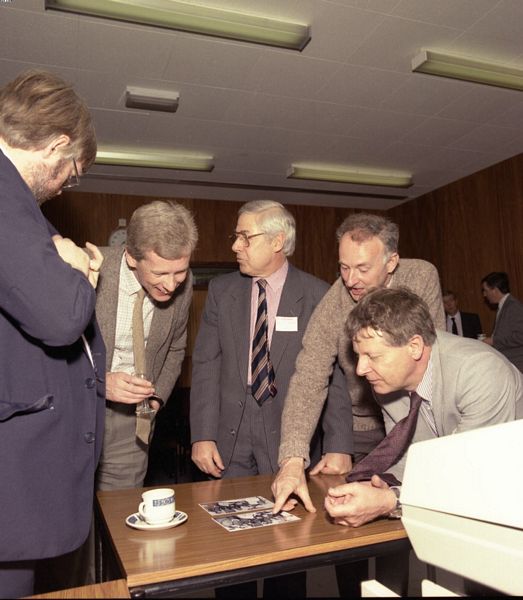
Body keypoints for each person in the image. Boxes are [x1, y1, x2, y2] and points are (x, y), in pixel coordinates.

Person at [271, 212, 444, 596]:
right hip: (361, 427)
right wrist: (292, 459)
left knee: (395, 529)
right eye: (344, 267)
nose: (351, 280)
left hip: (411, 422)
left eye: (363, 268)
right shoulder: (336, 301)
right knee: (346, 525)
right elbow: (309, 377)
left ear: (392, 262)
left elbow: (432, 360)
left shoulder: (421, 276)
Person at [190, 200, 351, 599]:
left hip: (290, 431)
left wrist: (339, 445)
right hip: (230, 431)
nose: (236, 246)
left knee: (287, 541)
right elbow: (207, 363)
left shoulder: (318, 295)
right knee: (230, 545)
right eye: (237, 236)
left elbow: (334, 377)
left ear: (278, 241)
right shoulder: (223, 290)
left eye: (246, 236)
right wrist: (202, 434)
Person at [0, 70, 105, 598]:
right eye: (73, 172)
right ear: (58, 145)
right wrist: (80, 271)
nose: (66, 185)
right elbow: (61, 319)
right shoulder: (4, 197)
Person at [323, 286, 521, 528]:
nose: (361, 369)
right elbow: (412, 459)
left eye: (372, 356)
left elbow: (471, 476)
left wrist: (390, 501)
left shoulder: (480, 372)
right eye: (358, 356)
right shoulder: (387, 382)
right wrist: (376, 485)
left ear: (414, 346)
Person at [96, 200, 197, 490]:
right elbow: (53, 349)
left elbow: (177, 347)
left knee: (121, 512)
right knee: (70, 516)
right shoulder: (90, 269)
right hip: (76, 409)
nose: (171, 284)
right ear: (131, 257)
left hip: (132, 419)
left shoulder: (184, 282)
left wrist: (157, 398)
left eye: (179, 272)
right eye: (160, 274)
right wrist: (99, 381)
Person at [481, 272, 523, 373]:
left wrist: (493, 341)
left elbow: (521, 336)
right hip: (510, 364)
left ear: (495, 290)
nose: (484, 294)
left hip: (517, 365)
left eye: (486, 290)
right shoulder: (505, 306)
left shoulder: (513, 306)